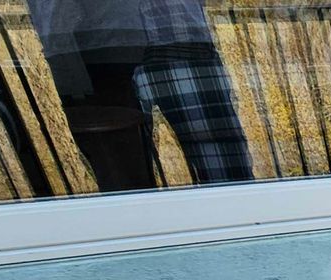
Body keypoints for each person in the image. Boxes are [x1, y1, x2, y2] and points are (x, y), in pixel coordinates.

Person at [26, 0, 254, 189]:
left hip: (181, 40)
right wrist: (66, 63)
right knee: (126, 187)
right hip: (101, 57)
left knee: (229, 175)